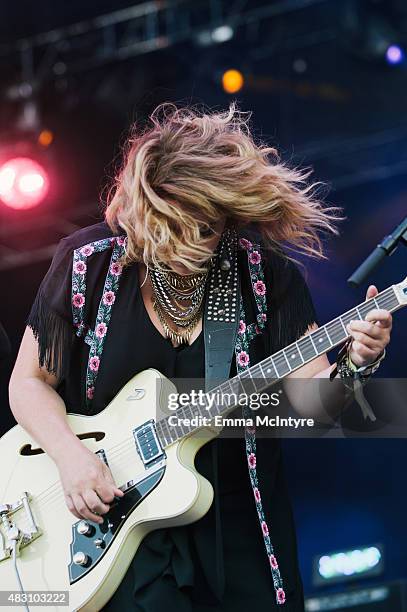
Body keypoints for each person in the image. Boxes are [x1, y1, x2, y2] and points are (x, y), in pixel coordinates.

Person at [8, 103, 392, 612]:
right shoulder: (88, 264)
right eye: (173, 229)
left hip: (236, 529)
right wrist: (71, 458)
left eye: (205, 230)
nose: (189, 247)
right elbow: (28, 383)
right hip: (113, 531)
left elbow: (314, 407)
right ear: (145, 213)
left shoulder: (265, 277)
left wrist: (357, 362)